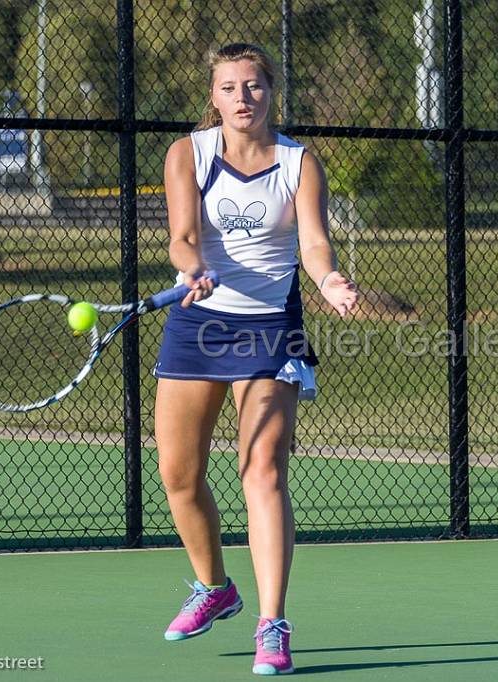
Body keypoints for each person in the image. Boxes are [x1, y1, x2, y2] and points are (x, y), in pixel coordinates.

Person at [153, 42, 358, 676]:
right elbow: (182, 238)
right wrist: (196, 268)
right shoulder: (189, 153)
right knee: (179, 478)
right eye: (229, 87)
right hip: (198, 324)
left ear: (271, 91)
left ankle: (273, 624)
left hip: (271, 330)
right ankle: (215, 587)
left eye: (253, 85)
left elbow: (314, 244)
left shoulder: (300, 163)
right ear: (212, 97)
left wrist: (328, 282)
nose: (243, 97)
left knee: (262, 468)